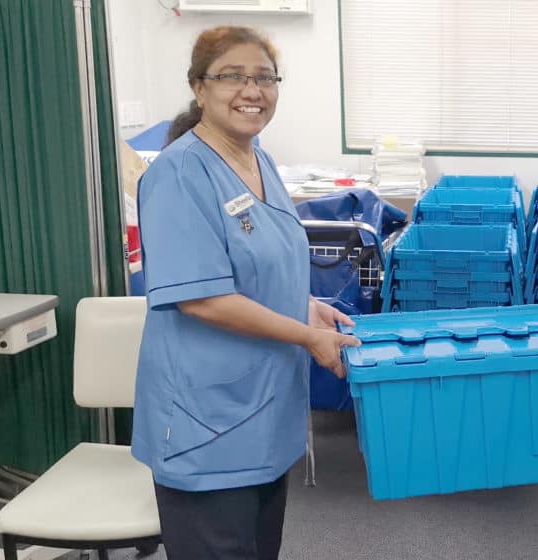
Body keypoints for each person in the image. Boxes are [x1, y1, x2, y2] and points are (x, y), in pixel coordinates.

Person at [131, 26, 360, 559]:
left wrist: (303, 305)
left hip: (264, 418)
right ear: (198, 88)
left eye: (264, 77)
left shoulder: (262, 161)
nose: (251, 90)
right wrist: (305, 336)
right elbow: (202, 297)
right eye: (232, 76)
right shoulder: (177, 175)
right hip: (205, 428)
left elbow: (257, 267)